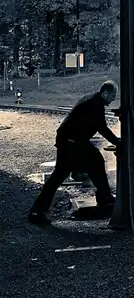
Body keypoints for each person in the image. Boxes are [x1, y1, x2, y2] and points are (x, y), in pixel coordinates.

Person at [28, 80, 121, 225]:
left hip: (73, 140)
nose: (114, 98)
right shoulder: (95, 105)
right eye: (113, 95)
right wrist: (117, 141)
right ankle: (37, 211)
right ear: (105, 93)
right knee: (61, 175)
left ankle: (105, 196)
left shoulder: (92, 100)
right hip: (70, 142)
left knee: (95, 162)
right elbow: (102, 128)